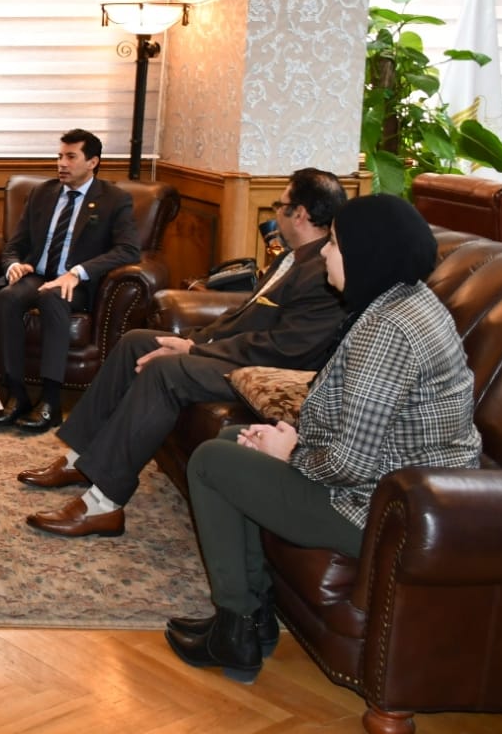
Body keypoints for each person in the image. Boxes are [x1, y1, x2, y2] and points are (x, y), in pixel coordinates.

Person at [165, 193, 480, 684]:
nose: (326, 253)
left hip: (383, 508)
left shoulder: (388, 331)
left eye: (334, 243)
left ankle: (235, 626)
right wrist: (295, 436)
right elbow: (363, 422)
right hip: (396, 485)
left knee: (211, 462)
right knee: (235, 437)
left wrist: (292, 452)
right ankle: (254, 619)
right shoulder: (404, 301)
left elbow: (351, 465)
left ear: (366, 253)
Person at [22, 167, 349, 539]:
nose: (276, 212)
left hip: (261, 369)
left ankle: (103, 504)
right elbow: (241, 319)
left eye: (280, 204)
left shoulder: (320, 272)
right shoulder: (290, 258)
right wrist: (193, 340)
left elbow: (285, 350)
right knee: (136, 342)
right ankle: (80, 459)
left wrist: (194, 349)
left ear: (300, 214)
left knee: (165, 371)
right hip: (237, 353)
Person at [0, 129, 140, 432]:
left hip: (78, 283)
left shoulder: (114, 199)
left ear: (92, 162)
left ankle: (50, 401)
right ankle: (16, 394)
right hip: (37, 275)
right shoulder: (42, 193)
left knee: (53, 297)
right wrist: (14, 265)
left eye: (71, 157)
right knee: (7, 297)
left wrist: (78, 272)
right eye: (60, 156)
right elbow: (14, 243)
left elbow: (128, 249)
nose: (62, 163)